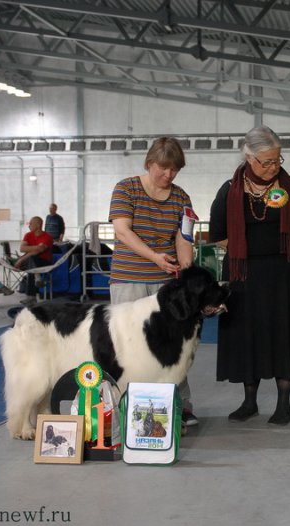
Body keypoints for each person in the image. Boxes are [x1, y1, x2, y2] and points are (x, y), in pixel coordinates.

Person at [209, 125, 290, 426]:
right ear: (249, 158)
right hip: (243, 275)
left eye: (277, 160)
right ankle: (249, 402)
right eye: (266, 161)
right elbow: (218, 235)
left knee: (282, 333)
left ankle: (283, 405)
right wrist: (247, 251)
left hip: (283, 274)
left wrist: (273, 250)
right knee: (246, 336)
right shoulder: (230, 190)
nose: (272, 167)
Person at [108, 137, 199, 427]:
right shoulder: (126, 188)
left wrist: (185, 266)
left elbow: (183, 238)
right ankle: (124, 406)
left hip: (165, 284)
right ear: (149, 164)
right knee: (127, 346)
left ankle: (180, 405)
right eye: (164, 168)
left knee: (172, 346)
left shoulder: (182, 198)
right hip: (128, 279)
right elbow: (122, 232)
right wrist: (153, 257)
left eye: (175, 170)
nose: (169, 175)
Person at [15, 216, 54, 306]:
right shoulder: (28, 235)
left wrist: (21, 259)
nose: (29, 226)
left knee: (32, 260)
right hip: (31, 263)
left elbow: (38, 251)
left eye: (31, 223)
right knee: (31, 261)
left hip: (44, 263)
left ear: (38, 224)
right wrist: (37, 247)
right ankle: (37, 277)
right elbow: (22, 248)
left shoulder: (47, 237)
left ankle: (31, 297)